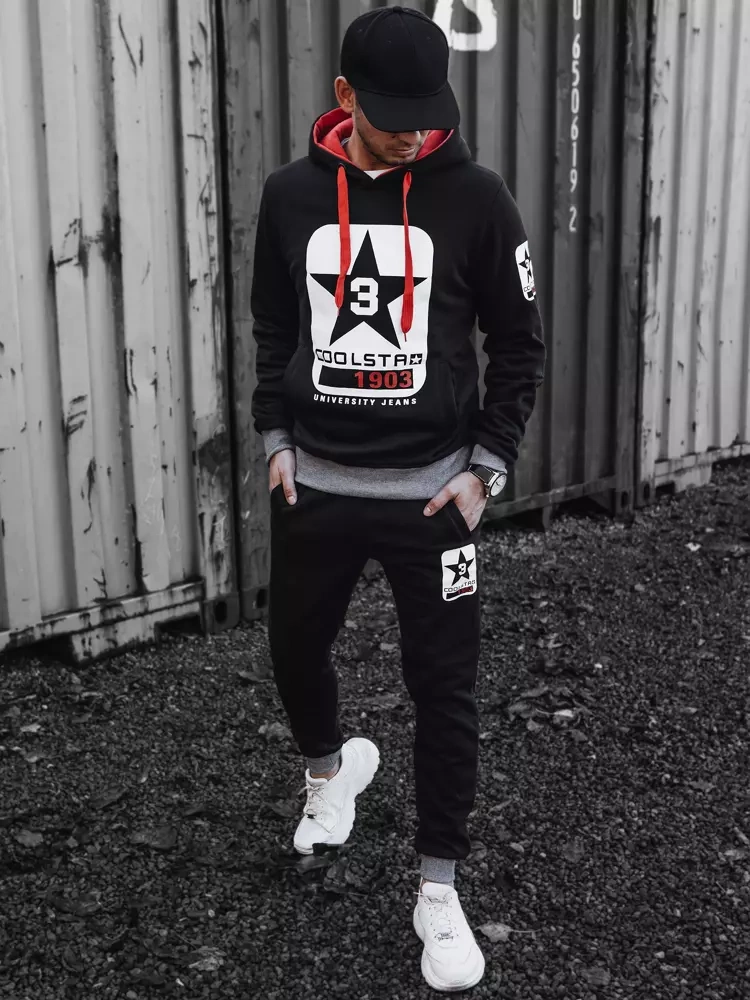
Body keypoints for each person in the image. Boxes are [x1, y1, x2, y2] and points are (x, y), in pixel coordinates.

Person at [251, 6, 545, 992]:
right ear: (344, 97)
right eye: (392, 118)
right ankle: (331, 772)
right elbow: (272, 324)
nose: (416, 134)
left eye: (429, 115)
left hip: (433, 499)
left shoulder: (477, 197)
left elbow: (520, 343)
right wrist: (276, 440)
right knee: (294, 650)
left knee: (445, 690)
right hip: (317, 487)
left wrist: (486, 468)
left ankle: (438, 889)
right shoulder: (291, 196)